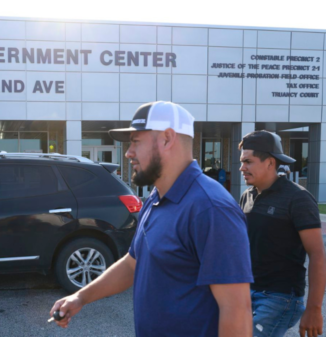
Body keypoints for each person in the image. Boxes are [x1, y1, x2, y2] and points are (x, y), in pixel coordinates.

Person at [50, 101, 253, 336]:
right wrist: (80, 297)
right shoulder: (157, 196)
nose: (128, 153)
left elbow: (237, 310)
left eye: (136, 141)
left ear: (167, 139)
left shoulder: (210, 208)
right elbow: (132, 264)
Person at [238, 131, 326, 337]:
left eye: (248, 161)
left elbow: (317, 255)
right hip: (247, 291)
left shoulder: (298, 199)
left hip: (279, 298)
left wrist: (314, 309)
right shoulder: (246, 196)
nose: (242, 167)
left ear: (270, 163)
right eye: (242, 162)